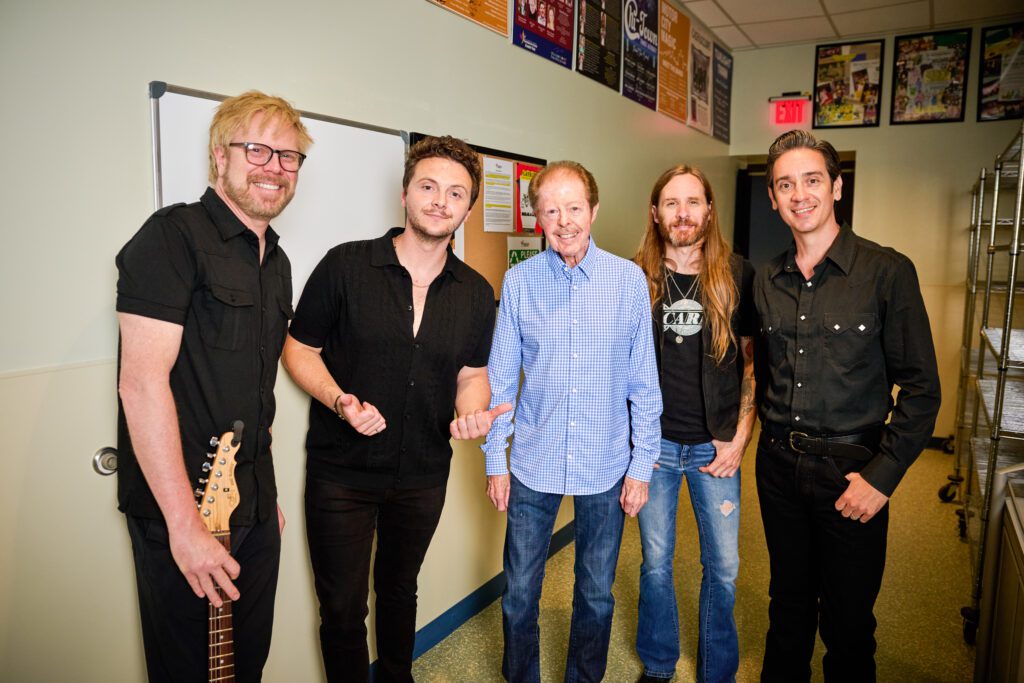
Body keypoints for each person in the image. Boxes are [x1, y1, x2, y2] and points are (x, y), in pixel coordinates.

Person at [281, 135, 507, 682]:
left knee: (400, 589)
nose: (439, 201)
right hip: (342, 474)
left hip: (423, 473)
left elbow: (472, 375)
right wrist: (339, 400)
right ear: (405, 194)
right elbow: (299, 347)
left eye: (455, 193)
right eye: (428, 187)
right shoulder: (345, 266)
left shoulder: (476, 292)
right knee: (341, 608)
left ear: (468, 208)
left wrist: (473, 411)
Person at [116, 90, 312, 682]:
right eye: (258, 148)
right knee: (187, 673)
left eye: (289, 156)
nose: (274, 167)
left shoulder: (277, 263)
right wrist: (184, 528)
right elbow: (142, 386)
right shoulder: (171, 238)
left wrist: (264, 493)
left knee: (244, 667)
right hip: (181, 514)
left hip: (251, 508)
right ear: (218, 156)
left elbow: (258, 394)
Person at [753, 129, 940, 682]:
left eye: (812, 180)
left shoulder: (887, 272)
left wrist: (881, 477)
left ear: (836, 187)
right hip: (779, 467)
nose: (799, 194)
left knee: (849, 620)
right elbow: (758, 370)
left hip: (853, 471)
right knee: (787, 606)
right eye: (785, 184)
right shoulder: (766, 279)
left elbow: (922, 389)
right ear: (772, 198)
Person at [483, 160, 662, 682]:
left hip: (606, 463)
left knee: (595, 594)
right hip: (533, 463)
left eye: (574, 208)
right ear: (537, 216)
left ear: (594, 210)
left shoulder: (628, 281)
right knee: (518, 595)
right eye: (551, 210)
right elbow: (500, 384)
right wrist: (497, 460)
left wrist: (642, 466)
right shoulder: (519, 283)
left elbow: (643, 384)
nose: (564, 221)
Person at [632, 166, 756, 683]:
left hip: (716, 446)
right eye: (671, 203)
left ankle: (716, 672)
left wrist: (740, 440)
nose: (682, 213)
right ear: (656, 212)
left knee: (723, 569)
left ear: (709, 209)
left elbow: (753, 364)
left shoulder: (740, 275)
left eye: (692, 202)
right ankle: (659, 666)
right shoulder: (633, 277)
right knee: (656, 565)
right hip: (654, 446)